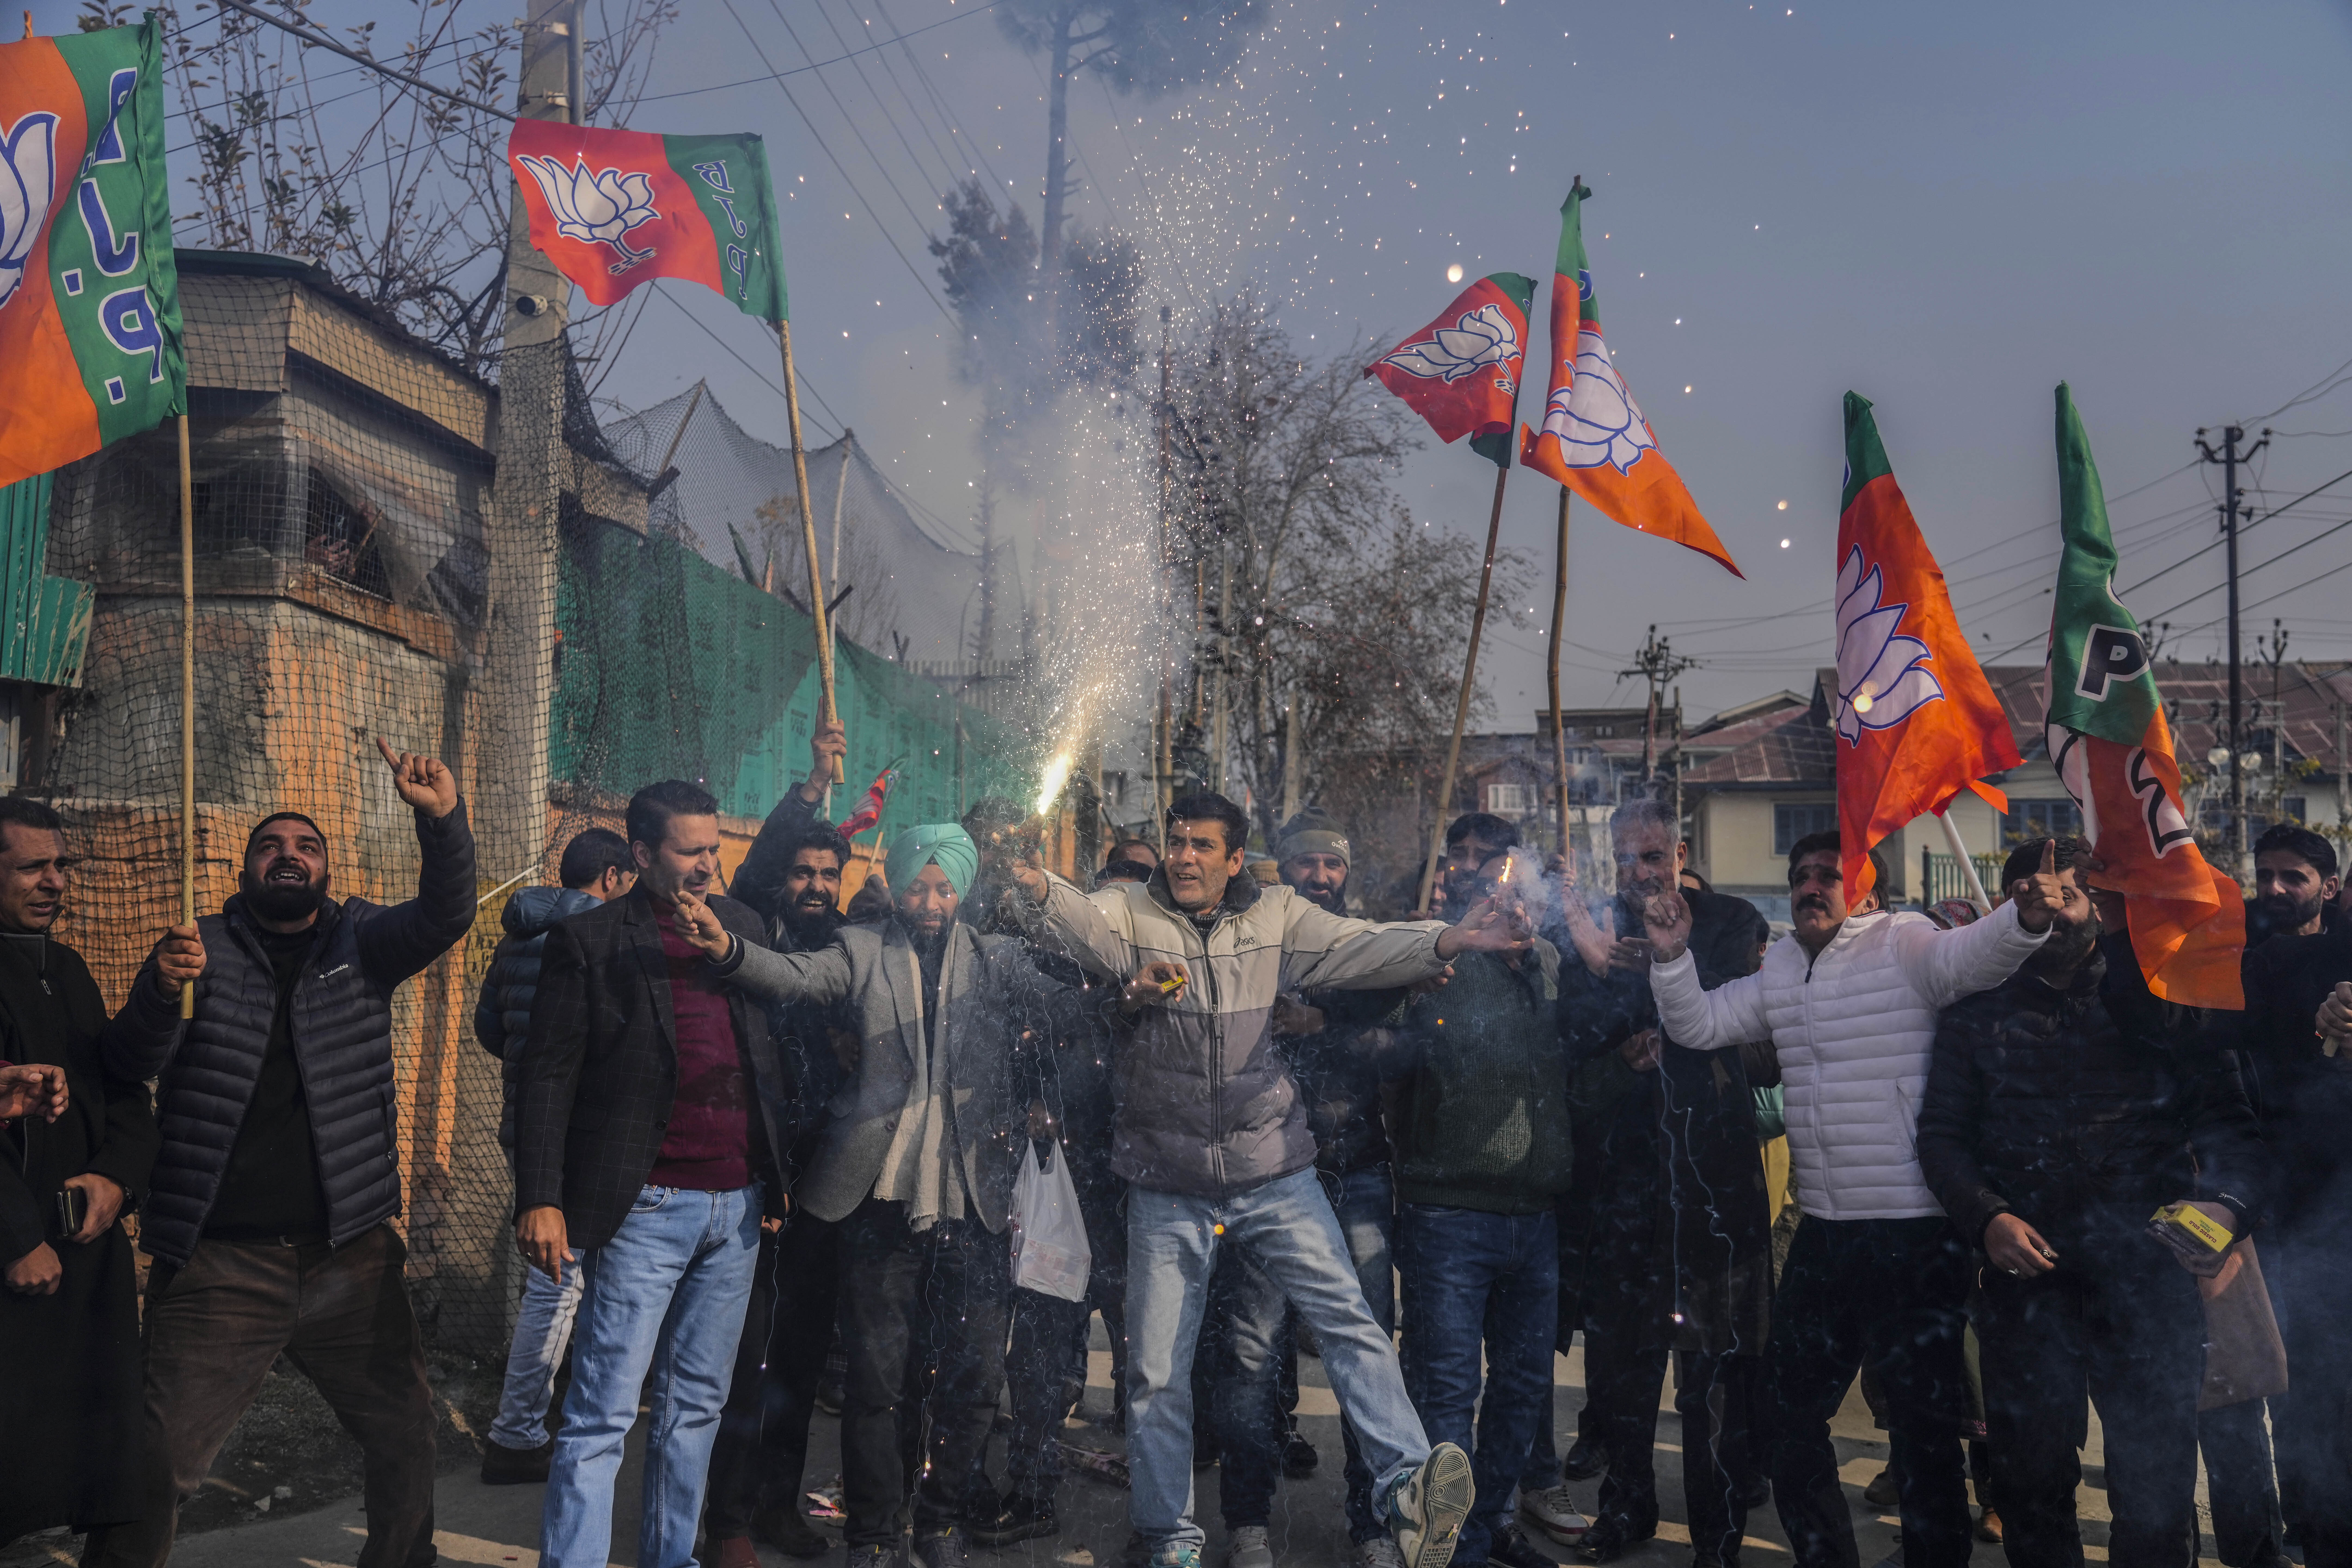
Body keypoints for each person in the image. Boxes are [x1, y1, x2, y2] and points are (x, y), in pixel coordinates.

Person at [1007, 790, 1538, 1568]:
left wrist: (1451, 938)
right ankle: (1169, 1540)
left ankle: (1408, 1486)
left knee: (1352, 1323)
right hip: (1166, 1179)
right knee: (1156, 1375)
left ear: (1233, 861)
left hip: (1272, 1171)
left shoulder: (1281, 916)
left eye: (1201, 847)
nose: (1183, 857)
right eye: (1176, 841)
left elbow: (1365, 945)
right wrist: (1034, 886)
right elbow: (1075, 920)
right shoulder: (1129, 911)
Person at [84, 739, 476, 1568]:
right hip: (221, 1263)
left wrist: (441, 822)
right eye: (272, 846)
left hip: (352, 1258)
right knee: (156, 1463)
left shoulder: (364, 941)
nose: (289, 856)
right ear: (246, 871)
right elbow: (127, 1064)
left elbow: (446, 916)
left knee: (407, 1436)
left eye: (307, 846)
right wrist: (160, 986)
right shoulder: (199, 949)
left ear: (327, 870)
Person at [1637, 828, 2065, 1568]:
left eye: (1829, 875)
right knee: (1786, 1416)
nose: (1811, 886)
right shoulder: (1780, 971)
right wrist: (1672, 956)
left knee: (1923, 1434)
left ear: (1866, 890)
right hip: (1828, 1233)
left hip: (1917, 1235)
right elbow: (1697, 1024)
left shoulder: (1906, 942)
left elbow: (1981, 954)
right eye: (1800, 874)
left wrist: (2026, 916)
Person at [672, 823, 1087, 1568]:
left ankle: (939, 1524)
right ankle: (872, 1534)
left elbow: (1070, 999)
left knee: (972, 1381)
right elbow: (797, 979)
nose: (930, 902)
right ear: (896, 887)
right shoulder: (861, 950)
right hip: (877, 1203)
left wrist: (1113, 971)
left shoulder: (999, 961)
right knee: (875, 1381)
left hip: (975, 1203)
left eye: (945, 887)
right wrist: (727, 951)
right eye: (918, 887)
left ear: (962, 891)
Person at [1918, 835, 2265, 1562]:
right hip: (2026, 1287)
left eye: (2071, 892)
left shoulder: (2168, 998)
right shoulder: (1973, 1012)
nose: (2055, 907)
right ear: (2007, 910)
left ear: (2103, 902)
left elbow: (2235, 1128)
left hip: (2147, 1279)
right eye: (2033, 897)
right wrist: (1988, 1217)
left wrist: (2226, 1214)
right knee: (2031, 1481)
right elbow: (1942, 1138)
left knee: (2155, 1489)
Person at [514, 779, 795, 1568]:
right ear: (641, 855)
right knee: (602, 1413)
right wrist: (540, 1197)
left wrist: (772, 1180)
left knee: (696, 1410)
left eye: (715, 849)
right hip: (644, 1207)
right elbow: (547, 1076)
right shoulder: (593, 940)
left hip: (734, 1212)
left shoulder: (741, 928)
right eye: (691, 851)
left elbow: (761, 1058)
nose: (709, 865)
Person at [1548, 798, 1772, 1565]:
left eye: (1653, 858)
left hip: (1714, 1175)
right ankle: (1627, 1508)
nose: (1642, 876)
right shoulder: (1589, 924)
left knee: (1711, 1374)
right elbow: (1574, 1033)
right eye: (1627, 860)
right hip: (1624, 1178)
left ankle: (1716, 1531)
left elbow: (1721, 1002)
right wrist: (1603, 1004)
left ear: (1680, 851)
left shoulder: (1732, 919)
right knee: (1618, 1372)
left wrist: (1618, 960)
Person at [1208, 806, 1417, 1568]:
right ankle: (1249, 1524)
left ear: (1346, 870)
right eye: (1307, 863)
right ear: (1282, 868)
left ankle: (1373, 1525)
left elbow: (1398, 1041)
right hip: (1266, 1174)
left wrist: (1320, 1023)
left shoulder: (1364, 947)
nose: (1320, 877)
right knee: (1253, 1353)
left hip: (1356, 1171)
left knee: (1364, 1353)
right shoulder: (1252, 939)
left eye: (1332, 864)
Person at [1389, 814, 1572, 1568]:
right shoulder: (1426, 953)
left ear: (1515, 870)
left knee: (1525, 1387)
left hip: (1535, 1215)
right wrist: (1421, 955)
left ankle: (1494, 1522)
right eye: (1458, 857)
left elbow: (1573, 1040)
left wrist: (1530, 954)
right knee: (1447, 1388)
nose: (1472, 869)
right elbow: (1380, 1038)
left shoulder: (1549, 960)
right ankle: (1446, 1542)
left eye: (1489, 858)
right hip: (1448, 1213)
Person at [706, 721, 858, 1565]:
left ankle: (777, 1504)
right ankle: (723, 1513)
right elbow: (761, 863)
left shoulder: (847, 948)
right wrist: (808, 786)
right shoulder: (755, 928)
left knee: (800, 1352)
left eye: (827, 874)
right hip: (752, 1178)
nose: (813, 883)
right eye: (803, 871)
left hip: (824, 1183)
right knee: (743, 1358)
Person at [0, 798, 163, 1550]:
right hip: (19, 1266)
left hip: (84, 1262)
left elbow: (118, 1090)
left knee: (103, 1468)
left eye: (61, 865)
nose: (54, 882)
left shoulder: (66, 967)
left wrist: (116, 1180)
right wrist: (17, 1239)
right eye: (33, 867)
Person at [476, 826, 637, 1485]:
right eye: (628, 880)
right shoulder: (604, 938)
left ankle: (535, 1423)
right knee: (563, 1284)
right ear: (612, 878)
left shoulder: (518, 931)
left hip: (527, 1125)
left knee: (557, 1281)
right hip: (581, 1134)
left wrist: (526, 1059)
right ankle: (516, 1435)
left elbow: (490, 1026)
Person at [2255, 840, 2352, 1568]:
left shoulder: (2347, 957)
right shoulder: (2238, 956)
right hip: (2266, 1199)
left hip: (2340, 1202)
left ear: (2331, 887)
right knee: (2292, 1382)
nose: (2278, 889)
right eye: (2267, 878)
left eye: (2296, 877)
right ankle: (2307, 1523)